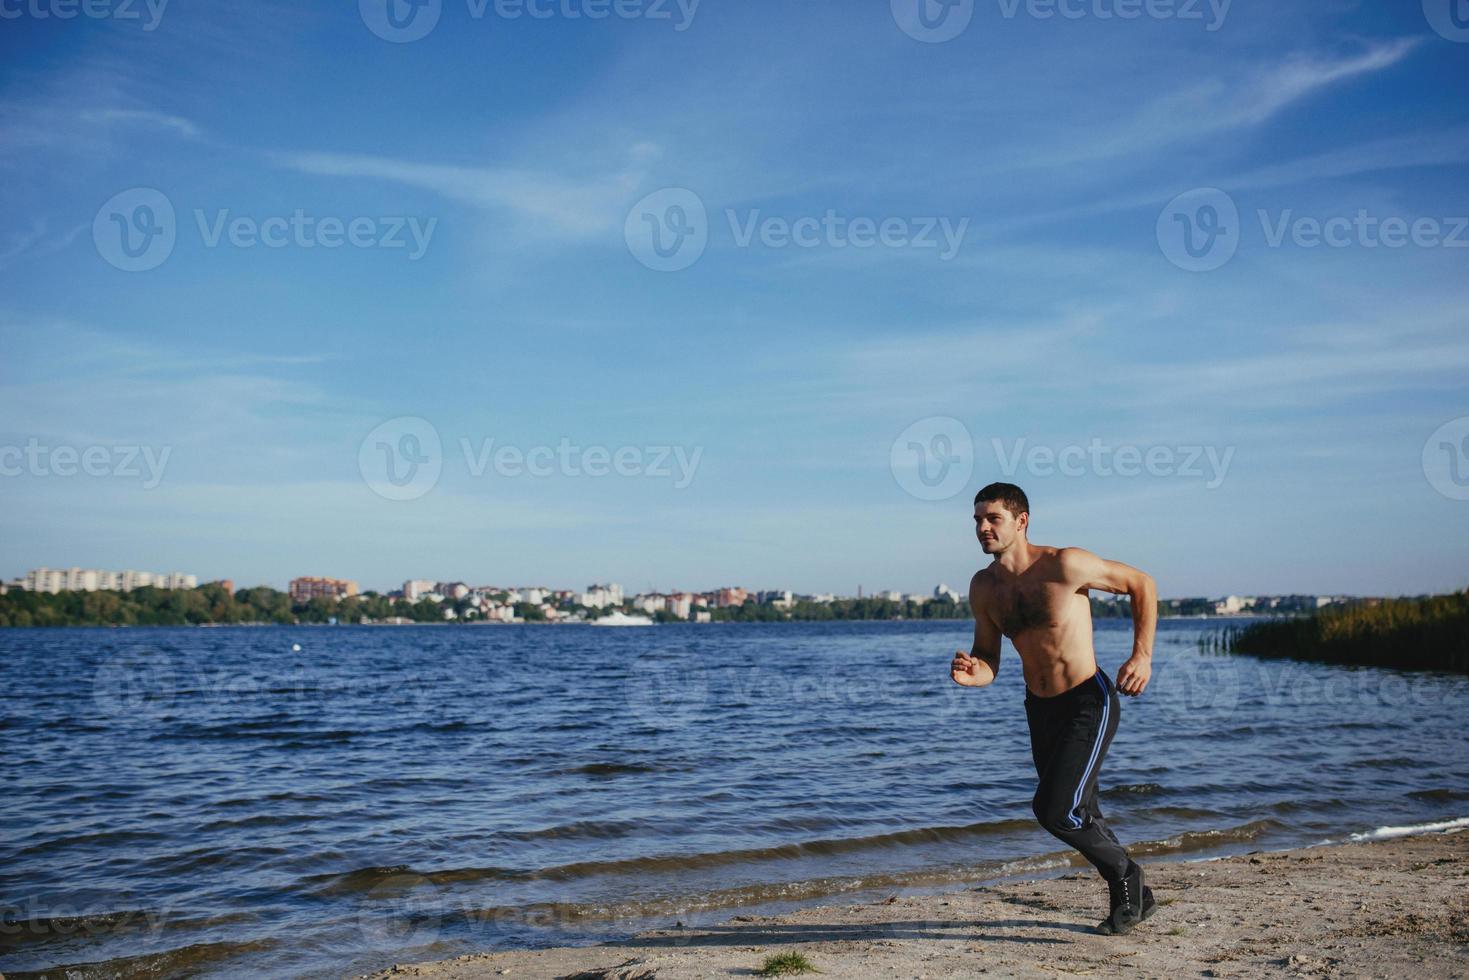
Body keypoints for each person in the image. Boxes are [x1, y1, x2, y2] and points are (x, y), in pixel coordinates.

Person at [950, 482, 1159, 935]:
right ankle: (1134, 897)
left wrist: (1141, 655)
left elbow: (1142, 584)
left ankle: (1127, 876)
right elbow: (988, 658)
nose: (982, 528)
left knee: (1054, 809)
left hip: (1088, 699)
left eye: (993, 519)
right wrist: (974, 671)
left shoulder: (1064, 564)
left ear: (1021, 521)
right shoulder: (984, 588)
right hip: (1039, 708)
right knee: (1082, 808)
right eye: (977, 521)